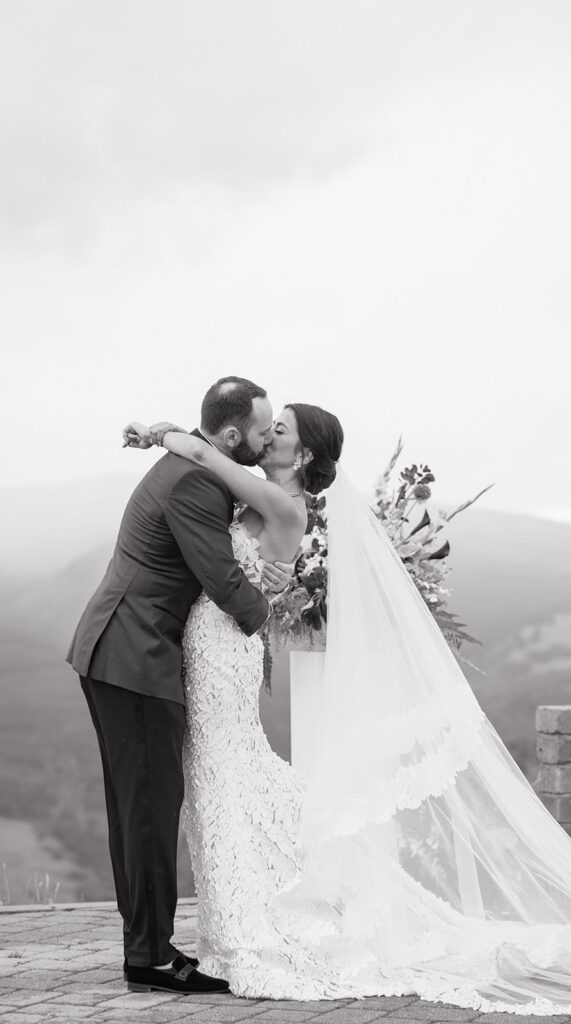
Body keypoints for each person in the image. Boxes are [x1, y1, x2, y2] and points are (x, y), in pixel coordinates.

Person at [124, 410, 571, 1015]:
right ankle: (255, 902)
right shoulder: (262, 495)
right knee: (223, 774)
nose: (270, 436)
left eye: (281, 429)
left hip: (227, 648)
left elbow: (210, 458)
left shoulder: (285, 506)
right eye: (270, 426)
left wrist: (163, 433)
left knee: (225, 771)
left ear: (306, 455)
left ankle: (255, 921)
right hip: (214, 642)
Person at [66, 376, 294, 995]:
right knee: (148, 807)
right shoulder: (198, 481)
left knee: (140, 804)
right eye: (258, 429)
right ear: (227, 436)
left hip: (124, 650)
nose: (264, 438)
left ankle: (145, 947)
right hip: (133, 656)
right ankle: (151, 958)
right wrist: (267, 606)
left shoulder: (189, 459)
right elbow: (221, 578)